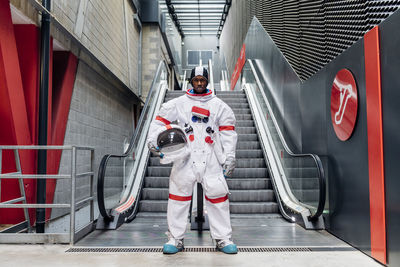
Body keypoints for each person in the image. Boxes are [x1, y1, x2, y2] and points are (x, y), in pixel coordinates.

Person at [146, 66, 238, 254]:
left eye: (202, 80)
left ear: (207, 81)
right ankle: (175, 238)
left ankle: (222, 238)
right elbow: (158, 123)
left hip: (211, 156)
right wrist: (152, 142)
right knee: (178, 198)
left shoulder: (218, 106)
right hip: (185, 157)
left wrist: (229, 157)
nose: (199, 83)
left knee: (218, 198)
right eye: (195, 80)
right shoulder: (178, 103)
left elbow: (229, 133)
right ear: (190, 81)